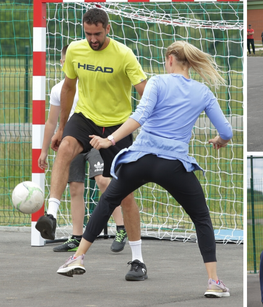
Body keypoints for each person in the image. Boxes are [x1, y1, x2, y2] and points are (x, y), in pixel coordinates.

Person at [56, 40, 233, 298]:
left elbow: (140, 115)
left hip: (141, 159)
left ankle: (78, 257)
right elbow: (226, 131)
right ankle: (213, 282)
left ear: (171, 58)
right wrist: (220, 141)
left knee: (107, 201)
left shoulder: (158, 82)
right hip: (173, 165)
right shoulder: (203, 92)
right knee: (202, 219)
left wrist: (110, 139)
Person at [35, 8, 147, 281]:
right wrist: (61, 127)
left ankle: (138, 260)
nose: (92, 39)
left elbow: (145, 92)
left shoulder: (124, 54)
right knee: (65, 148)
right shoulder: (75, 50)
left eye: (97, 34)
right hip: (84, 117)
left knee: (126, 194)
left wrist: (145, 127)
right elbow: (68, 88)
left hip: (116, 127)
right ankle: (50, 215)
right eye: (88, 34)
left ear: (107, 28)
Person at [38, 44, 127, 253]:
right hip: (71, 142)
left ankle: (121, 228)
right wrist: (43, 150)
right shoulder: (58, 89)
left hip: (93, 139)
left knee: (104, 181)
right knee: (75, 188)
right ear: (63, 63)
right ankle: (76, 237)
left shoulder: (90, 85)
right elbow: (51, 122)